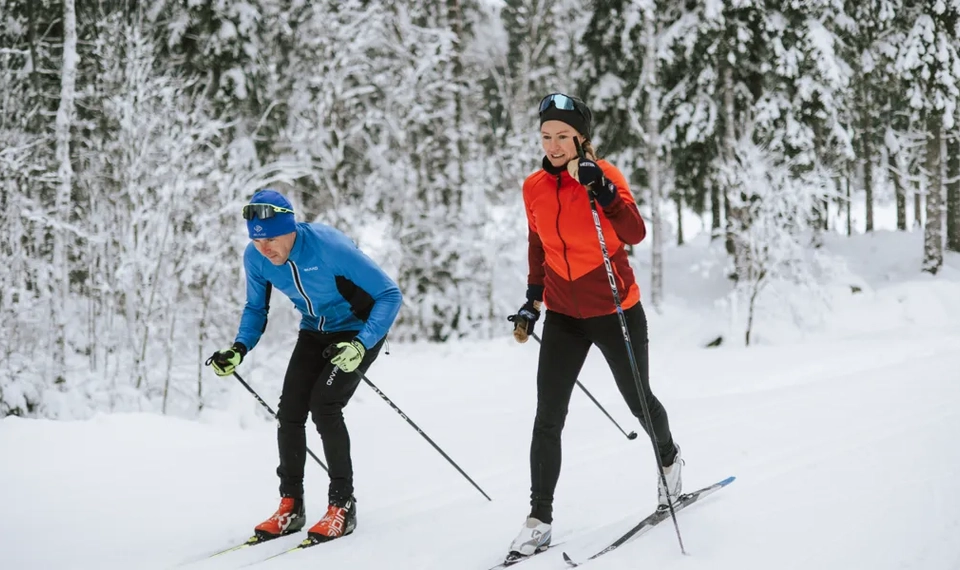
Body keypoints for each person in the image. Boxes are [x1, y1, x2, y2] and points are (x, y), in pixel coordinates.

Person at [504, 93, 683, 560]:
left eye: (563, 135)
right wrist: (532, 299)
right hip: (564, 313)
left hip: (615, 308)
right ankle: (538, 519)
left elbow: (634, 232)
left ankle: (669, 459)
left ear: (582, 138)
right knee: (548, 416)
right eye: (547, 136)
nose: (554, 144)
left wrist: (601, 190)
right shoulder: (534, 187)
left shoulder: (605, 175)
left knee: (638, 399)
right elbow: (537, 243)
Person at [208, 189, 402, 544]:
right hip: (315, 331)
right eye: (256, 239)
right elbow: (255, 309)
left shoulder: (328, 246)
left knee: (325, 407)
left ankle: (342, 506)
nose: (264, 247)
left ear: (290, 227)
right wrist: (239, 349)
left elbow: (390, 295)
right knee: (290, 412)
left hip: (359, 330)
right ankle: (291, 506)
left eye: (270, 238)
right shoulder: (256, 258)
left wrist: (361, 344)